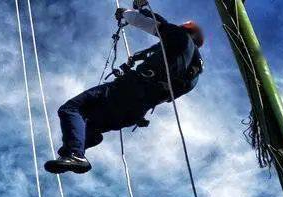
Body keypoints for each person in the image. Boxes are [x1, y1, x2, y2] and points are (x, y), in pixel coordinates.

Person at [44, 0, 204, 175]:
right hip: (135, 112)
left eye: (185, 24)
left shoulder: (179, 36)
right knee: (87, 123)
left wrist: (128, 12)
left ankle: (75, 152)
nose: (182, 24)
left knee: (71, 109)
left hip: (126, 91)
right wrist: (137, 62)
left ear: (189, 30)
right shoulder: (194, 72)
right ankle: (86, 138)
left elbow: (149, 21)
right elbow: (169, 94)